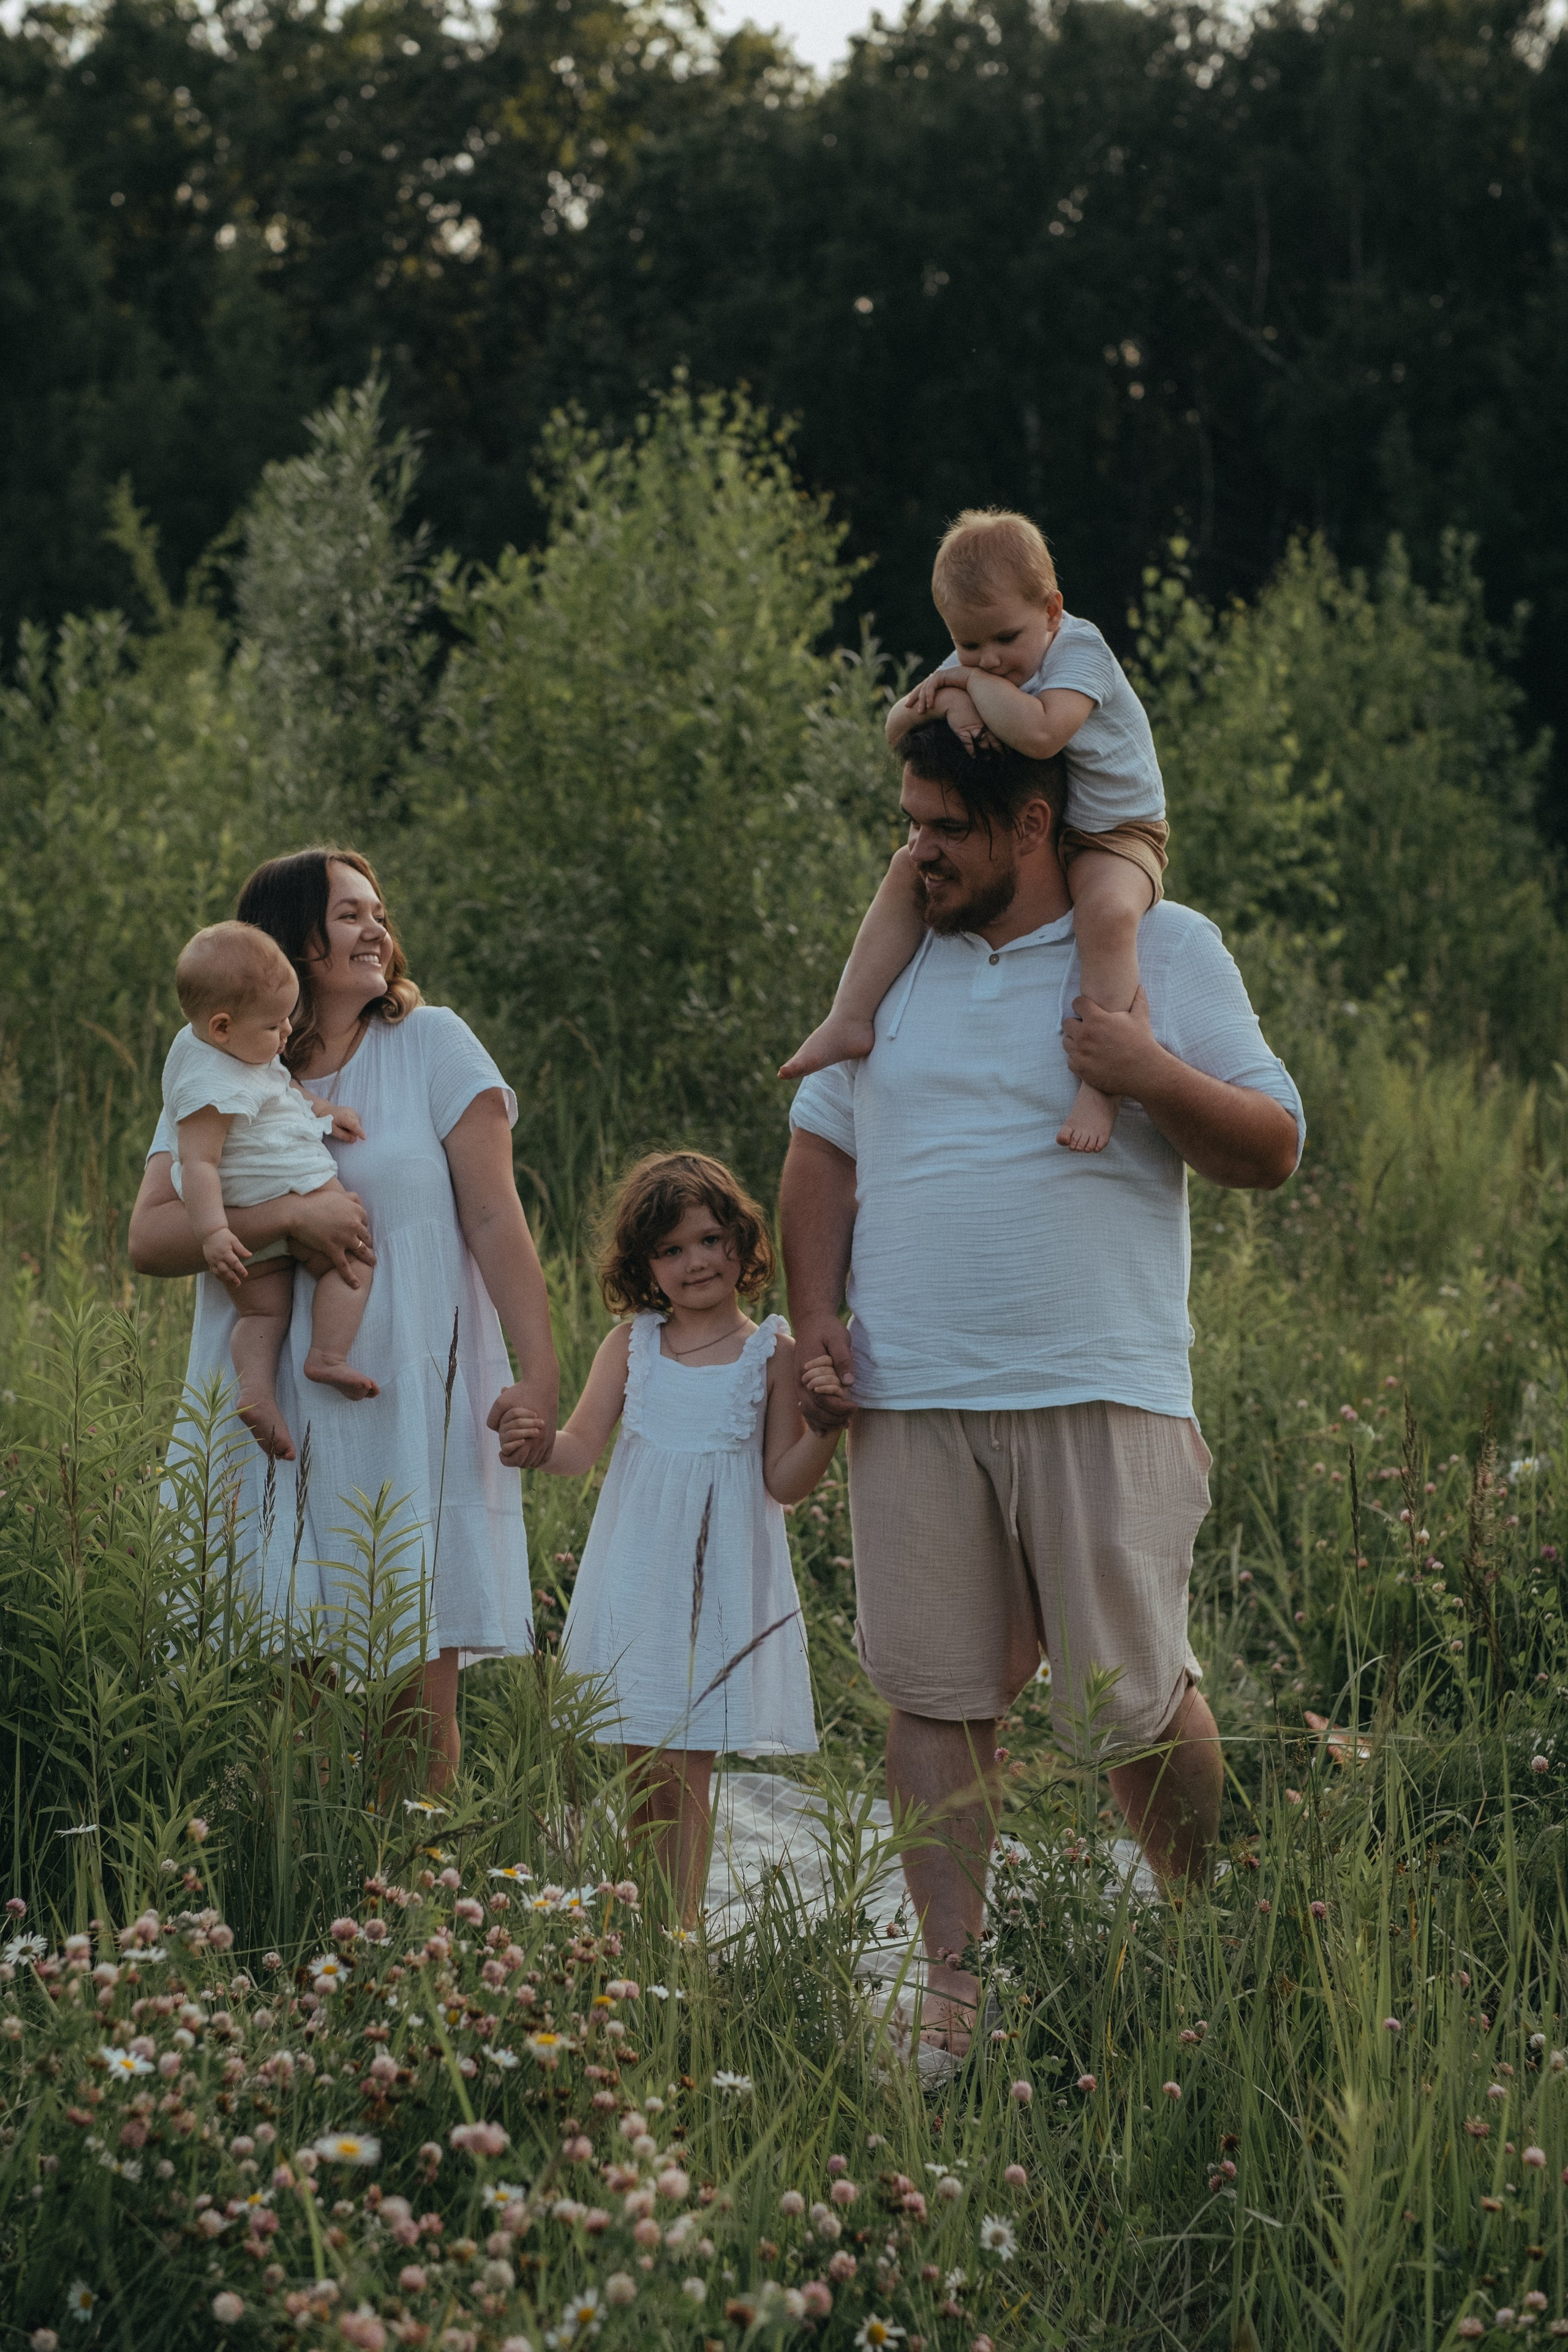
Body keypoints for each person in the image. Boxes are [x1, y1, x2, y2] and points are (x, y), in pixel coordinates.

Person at [782, 720, 1302, 2071]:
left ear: (1031, 826)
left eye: (945, 826)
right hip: (910, 1392)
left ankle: (1207, 1934)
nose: (917, 851)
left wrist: (1146, 1074)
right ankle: (954, 1987)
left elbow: (1272, 1145)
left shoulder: (1161, 949)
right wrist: (816, 1318)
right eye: (909, 821)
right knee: (933, 1693)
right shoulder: (893, 961)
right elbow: (820, 1154)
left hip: (1099, 1382)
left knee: (1136, 1700)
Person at [128, 848, 558, 1789]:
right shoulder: (220, 1062)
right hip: (276, 1414)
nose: (377, 929)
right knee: (295, 1706)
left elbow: (497, 1219)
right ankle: (299, 1875)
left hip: (405, 1403)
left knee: (418, 1693)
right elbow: (151, 1236)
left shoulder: (433, 1043)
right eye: (350, 914)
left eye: (379, 912)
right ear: (296, 941)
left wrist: (541, 1370)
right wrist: (288, 1217)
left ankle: (418, 1875)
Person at [499, 1152, 838, 1926]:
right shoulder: (632, 1345)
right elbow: (579, 1447)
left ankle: (675, 1933)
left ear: (741, 1241)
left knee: (684, 1770)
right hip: (637, 1577)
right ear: (644, 1265)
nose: (695, 1263)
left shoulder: (773, 1353)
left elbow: (784, 1483)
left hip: (714, 1586)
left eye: (711, 1239)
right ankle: (641, 1924)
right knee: (641, 1765)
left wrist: (825, 1431)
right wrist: (536, 1445)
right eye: (671, 1249)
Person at [782, 508, 1167, 1156]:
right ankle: (849, 1017)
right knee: (906, 868)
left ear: (1051, 610)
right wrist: (955, 692)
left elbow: (1041, 732)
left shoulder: (1081, 651)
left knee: (1105, 914)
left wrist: (964, 683)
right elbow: (895, 726)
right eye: (967, 645)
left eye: (1005, 639)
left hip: (1117, 830)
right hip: (1043, 831)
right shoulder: (984, 659)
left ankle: (1103, 1082)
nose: (990, 659)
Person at [162, 920, 379, 1461]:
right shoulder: (208, 1088)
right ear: (221, 1027)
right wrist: (214, 1232)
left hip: (255, 1227)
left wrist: (326, 1111)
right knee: (352, 1257)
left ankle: (256, 1393)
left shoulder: (230, 1049)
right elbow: (198, 1164)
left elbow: (283, 1090)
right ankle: (327, 1354)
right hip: (283, 1190)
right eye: (274, 1024)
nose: (286, 1033)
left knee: (262, 1314)